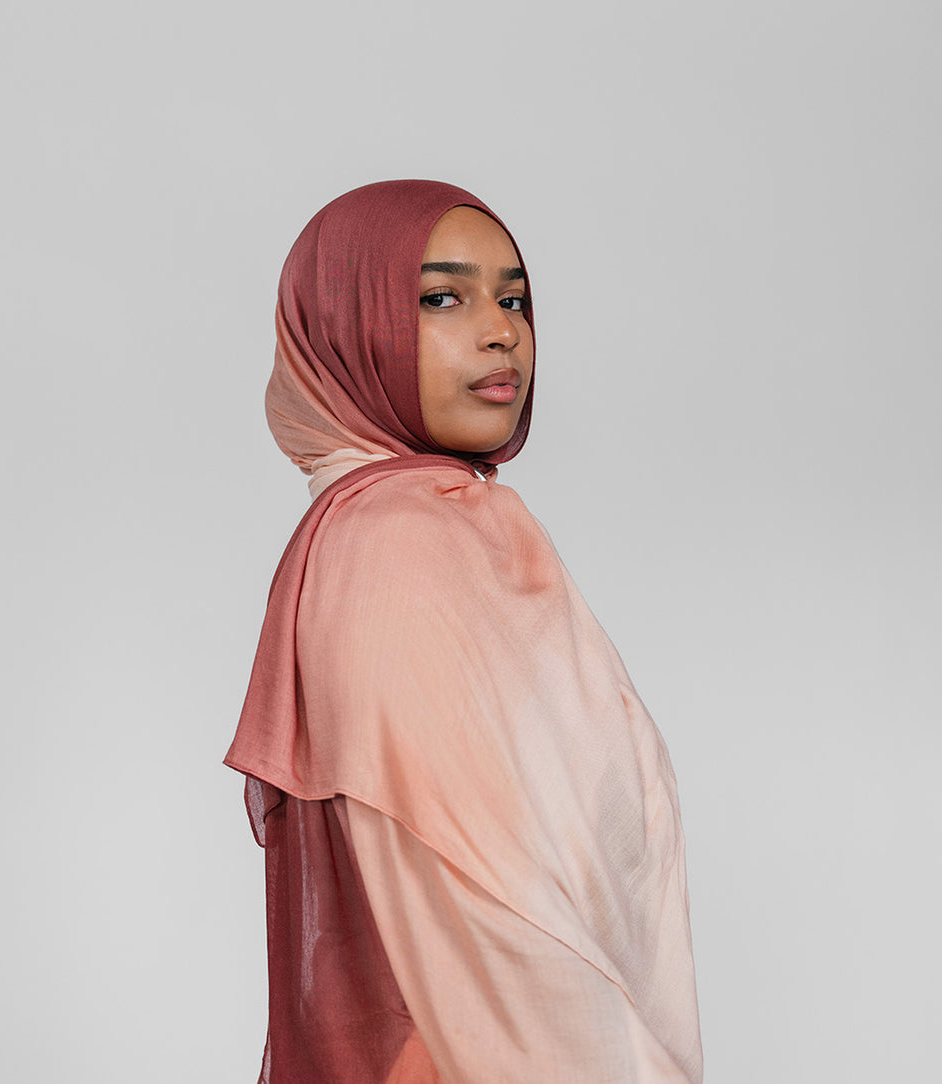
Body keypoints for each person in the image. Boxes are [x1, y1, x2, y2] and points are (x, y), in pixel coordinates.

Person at [225, 179, 703, 1083]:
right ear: (347, 326)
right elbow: (475, 900)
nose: (501, 332)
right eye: (441, 298)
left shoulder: (431, 528)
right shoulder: (398, 542)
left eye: (514, 299)